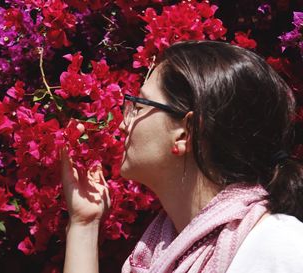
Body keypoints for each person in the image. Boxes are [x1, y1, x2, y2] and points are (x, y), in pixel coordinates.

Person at [60, 40, 303, 273]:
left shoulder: (279, 249)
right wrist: (84, 224)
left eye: (139, 106)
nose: (124, 124)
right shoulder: (160, 252)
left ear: (185, 132)